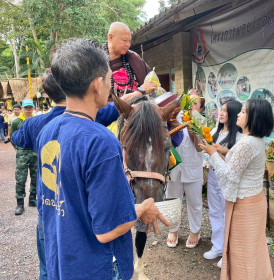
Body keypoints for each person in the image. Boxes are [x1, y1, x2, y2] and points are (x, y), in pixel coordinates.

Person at [34, 38, 169, 280]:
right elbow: (108, 228)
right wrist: (142, 209)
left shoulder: (48, 132)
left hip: (61, 261)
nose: (111, 87)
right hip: (98, 268)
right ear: (97, 84)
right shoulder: (100, 141)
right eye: (109, 79)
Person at [200, 98, 274, 279]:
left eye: (243, 111)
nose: (238, 114)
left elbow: (231, 175)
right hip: (253, 201)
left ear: (253, 117)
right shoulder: (253, 139)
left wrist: (212, 154)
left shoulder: (246, 143)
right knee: (252, 251)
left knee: (242, 253)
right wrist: (224, 152)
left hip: (245, 206)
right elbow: (239, 165)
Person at [203, 101, 242, 265]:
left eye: (226, 111)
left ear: (233, 114)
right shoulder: (214, 131)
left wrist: (216, 152)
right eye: (222, 110)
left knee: (227, 214)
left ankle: (228, 252)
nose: (221, 113)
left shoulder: (239, 137)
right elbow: (205, 150)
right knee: (215, 212)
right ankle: (217, 246)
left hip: (226, 179)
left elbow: (234, 163)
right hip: (213, 176)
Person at [166, 91, 205, 248]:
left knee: (194, 202)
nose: (191, 105)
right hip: (175, 168)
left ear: (200, 109)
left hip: (192, 169)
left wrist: (193, 132)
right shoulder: (175, 118)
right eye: (189, 101)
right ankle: (173, 230)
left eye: (195, 103)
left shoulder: (201, 122)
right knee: (173, 200)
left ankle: (195, 231)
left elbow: (200, 148)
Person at [104, 22, 156, 100]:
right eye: (124, 40)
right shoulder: (96, 61)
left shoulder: (134, 58)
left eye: (129, 41)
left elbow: (153, 86)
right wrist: (139, 92)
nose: (128, 45)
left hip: (138, 110)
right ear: (110, 38)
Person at [10, 99, 37, 215]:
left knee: (36, 176)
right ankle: (20, 203)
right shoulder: (17, 122)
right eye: (26, 108)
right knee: (21, 178)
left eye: (30, 107)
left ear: (33, 108)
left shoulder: (36, 120)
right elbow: (12, 137)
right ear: (22, 108)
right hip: (22, 153)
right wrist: (18, 148)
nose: (28, 110)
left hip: (34, 152)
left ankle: (32, 199)